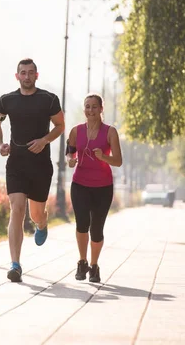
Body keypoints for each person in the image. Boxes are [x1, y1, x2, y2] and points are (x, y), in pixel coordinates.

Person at [0, 58, 65, 282]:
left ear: (36, 75)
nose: (27, 76)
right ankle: (15, 264)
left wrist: (44, 140)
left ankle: (42, 223)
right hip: (16, 163)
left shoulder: (49, 100)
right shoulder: (6, 101)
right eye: (23, 73)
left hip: (41, 164)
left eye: (31, 73)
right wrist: (0, 144)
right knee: (17, 208)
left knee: (35, 213)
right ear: (17, 76)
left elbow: (60, 125)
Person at [66, 94, 122, 283]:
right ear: (84, 110)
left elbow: (119, 161)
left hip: (102, 187)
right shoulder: (76, 130)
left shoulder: (110, 132)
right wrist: (70, 160)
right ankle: (82, 262)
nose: (90, 110)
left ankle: (94, 265)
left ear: (101, 109)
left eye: (94, 107)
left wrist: (104, 157)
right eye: (87, 107)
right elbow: (70, 150)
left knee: (96, 229)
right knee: (82, 224)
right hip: (80, 184)